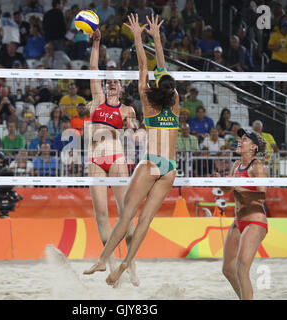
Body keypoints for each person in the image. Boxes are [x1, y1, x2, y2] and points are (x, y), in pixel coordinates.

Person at [84, 14, 180, 287]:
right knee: (145, 220)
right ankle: (124, 263)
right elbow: (160, 66)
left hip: (149, 164)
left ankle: (104, 259)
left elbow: (143, 65)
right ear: (172, 90)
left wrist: (137, 36)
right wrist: (156, 37)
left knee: (126, 215)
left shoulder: (144, 103)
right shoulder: (175, 103)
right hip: (170, 168)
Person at [84, 23, 139, 285]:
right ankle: (111, 262)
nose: (112, 84)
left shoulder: (127, 109)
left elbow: (135, 131)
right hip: (96, 161)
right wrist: (96, 43)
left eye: (117, 82)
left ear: (122, 88)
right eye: (110, 82)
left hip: (117, 160)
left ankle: (131, 263)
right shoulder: (97, 99)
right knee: (101, 215)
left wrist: (132, 128)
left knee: (126, 214)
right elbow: (93, 70)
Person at [216, 128, 268, 300]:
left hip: (255, 221)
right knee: (228, 269)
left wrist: (239, 187)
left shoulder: (257, 166)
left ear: (253, 147)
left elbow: (262, 196)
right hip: (239, 221)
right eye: (240, 138)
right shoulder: (237, 165)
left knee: (242, 267)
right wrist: (221, 182)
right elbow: (228, 189)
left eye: (244, 139)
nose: (240, 141)